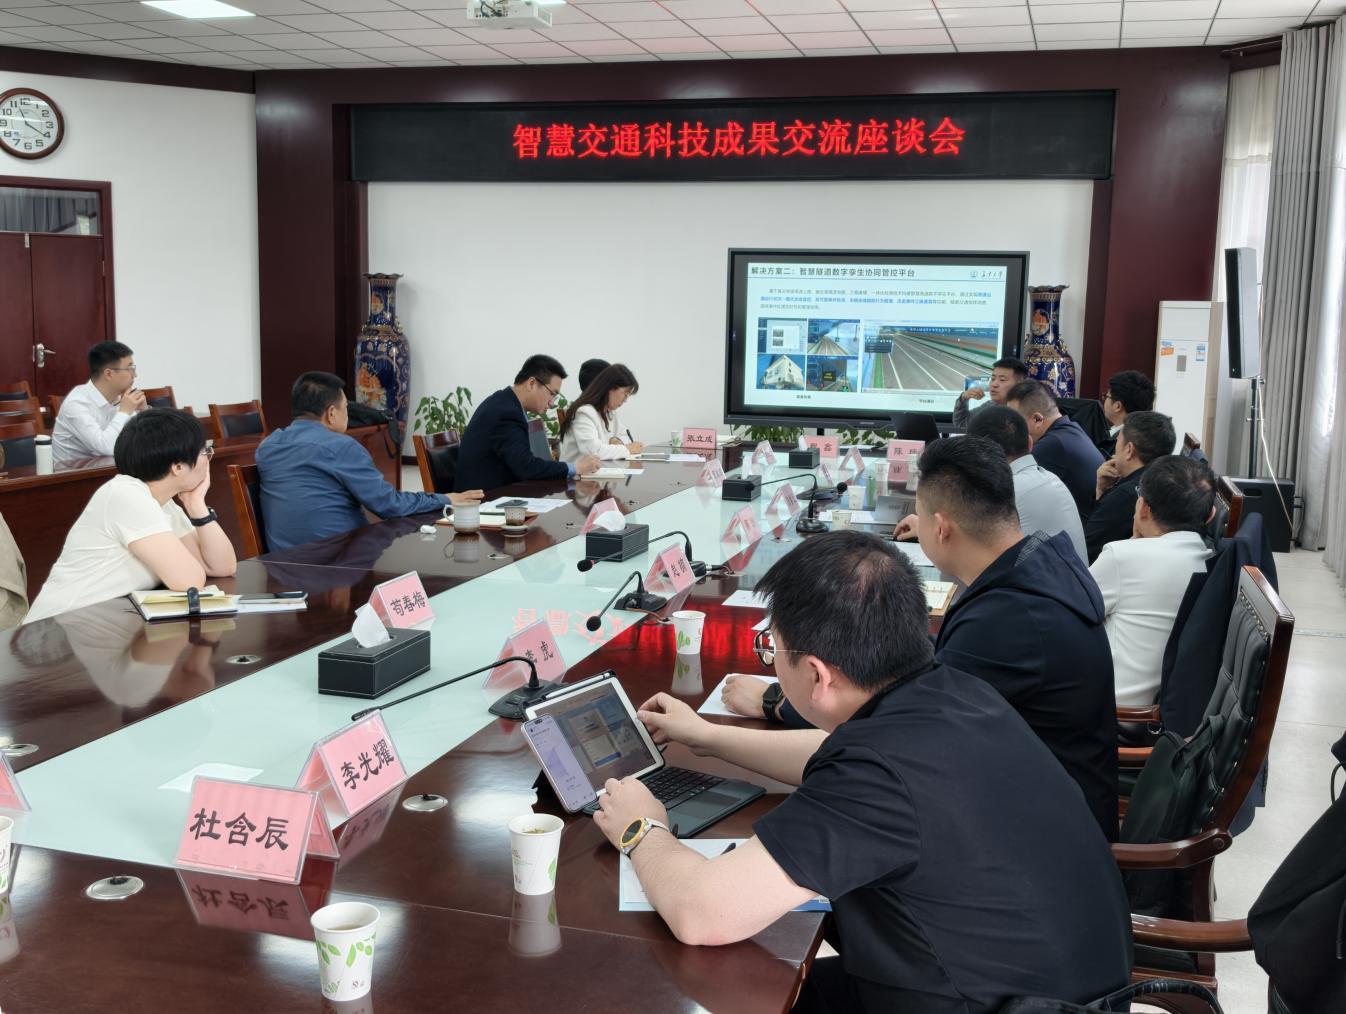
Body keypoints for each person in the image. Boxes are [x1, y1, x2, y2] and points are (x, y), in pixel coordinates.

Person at [599, 531, 1130, 1013]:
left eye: (772, 649)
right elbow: (834, 754)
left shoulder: (877, 773)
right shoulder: (955, 693)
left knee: (705, 987)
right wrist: (709, 738)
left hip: (999, 1003)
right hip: (1058, 986)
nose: (771, 660)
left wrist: (642, 829)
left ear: (817, 675)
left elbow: (702, 913)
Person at [758, 434, 1117, 840]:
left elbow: (902, 726)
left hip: (1044, 833)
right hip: (1054, 800)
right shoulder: (1037, 563)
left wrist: (777, 704)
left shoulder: (1008, 619)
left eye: (921, 514)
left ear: (942, 528)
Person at [25, 409, 237, 624]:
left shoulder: (163, 502)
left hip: (99, 621)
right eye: (205, 451)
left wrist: (197, 505)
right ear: (178, 467)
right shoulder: (126, 495)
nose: (208, 459)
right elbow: (189, 580)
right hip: (59, 625)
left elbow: (222, 567)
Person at [256, 372, 483, 552]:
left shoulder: (267, 447)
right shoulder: (340, 447)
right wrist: (446, 498)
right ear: (332, 413)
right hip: (340, 563)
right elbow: (389, 505)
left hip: (283, 564)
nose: (348, 414)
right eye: (346, 408)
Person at [1090, 455, 1216, 708]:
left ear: (1143, 508)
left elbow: (1067, 614)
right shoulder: (1212, 561)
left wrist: (1132, 543)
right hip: (1168, 709)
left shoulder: (1121, 557)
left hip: (1112, 709)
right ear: (1210, 515)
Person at [454, 355, 598, 492]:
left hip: (498, 492)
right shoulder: (506, 413)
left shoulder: (505, 402)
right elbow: (526, 467)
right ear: (531, 383)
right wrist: (576, 468)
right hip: (482, 500)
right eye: (552, 394)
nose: (551, 403)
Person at [966, 404, 1087, 562]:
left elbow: (970, 560)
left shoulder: (1005, 493)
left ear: (978, 455)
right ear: (1030, 443)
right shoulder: (1050, 478)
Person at [1085, 410, 1175, 563]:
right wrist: (1101, 491)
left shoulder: (1124, 496)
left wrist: (1105, 496)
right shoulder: (1165, 483)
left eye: (1117, 442)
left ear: (1129, 450)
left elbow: (1085, 551)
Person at [1006, 379, 1104, 519]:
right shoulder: (1070, 430)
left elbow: (1009, 490)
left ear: (1037, 419)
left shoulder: (1052, 445)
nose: (1010, 429)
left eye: (1014, 422)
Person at [51, 340, 148, 464]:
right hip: (73, 473)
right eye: (130, 369)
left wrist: (143, 412)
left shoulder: (119, 400)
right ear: (109, 374)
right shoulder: (76, 404)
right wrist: (124, 412)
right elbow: (106, 447)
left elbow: (146, 442)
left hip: (106, 468)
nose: (135, 375)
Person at [558, 363, 644, 464]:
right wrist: (627, 449)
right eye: (625, 393)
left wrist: (616, 440)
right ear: (610, 388)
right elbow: (594, 451)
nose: (626, 400)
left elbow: (628, 437)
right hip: (576, 473)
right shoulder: (584, 413)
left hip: (602, 470)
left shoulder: (610, 413)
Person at [951, 355, 1028, 431]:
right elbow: (961, 422)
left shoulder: (1026, 412)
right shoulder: (990, 406)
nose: (994, 384)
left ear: (1019, 384)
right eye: (993, 379)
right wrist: (963, 398)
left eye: (1002, 380)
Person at [1102, 370, 1156, 441]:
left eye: (1106, 396)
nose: (1104, 400)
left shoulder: (1119, 443)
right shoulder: (1144, 436)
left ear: (1118, 406)